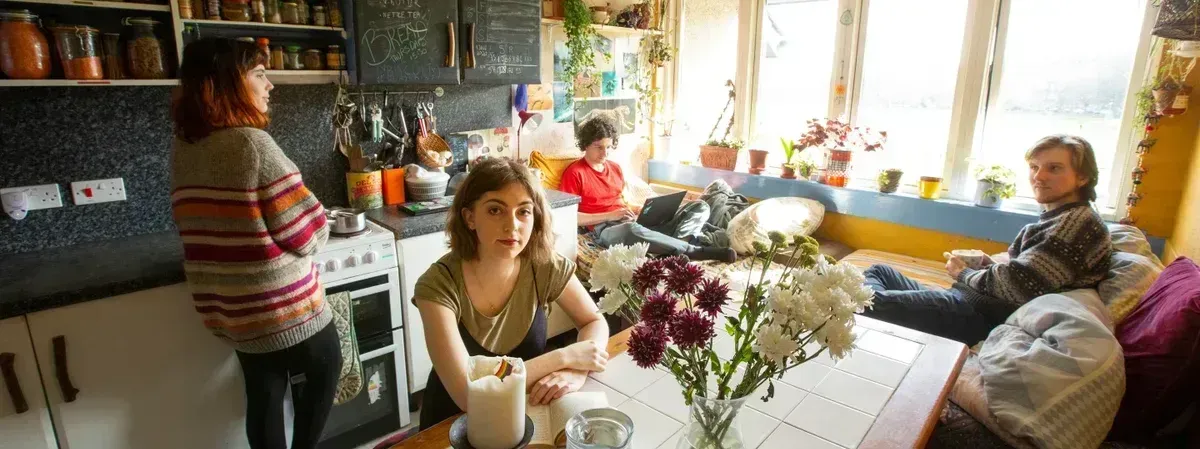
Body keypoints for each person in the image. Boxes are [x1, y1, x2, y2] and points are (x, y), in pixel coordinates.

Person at [170, 38, 339, 449]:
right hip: (284, 310)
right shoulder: (252, 145)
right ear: (225, 83)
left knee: (263, 393)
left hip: (234, 312)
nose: (270, 85)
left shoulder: (185, 148)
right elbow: (309, 232)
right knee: (327, 368)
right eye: (259, 74)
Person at [413, 157, 611, 429]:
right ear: (470, 218)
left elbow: (594, 322)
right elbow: (469, 395)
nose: (512, 226)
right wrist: (563, 357)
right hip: (453, 425)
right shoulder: (438, 285)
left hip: (523, 412)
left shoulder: (543, 265)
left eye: (523, 211)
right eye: (495, 210)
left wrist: (575, 371)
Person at [861, 135, 1113, 346]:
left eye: (1054, 168)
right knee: (878, 271)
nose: (1039, 176)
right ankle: (887, 324)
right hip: (969, 299)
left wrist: (963, 273)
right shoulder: (1057, 217)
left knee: (865, 301)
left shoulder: (1077, 224)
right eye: (1035, 167)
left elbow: (1019, 286)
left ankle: (878, 327)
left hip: (979, 316)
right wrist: (986, 264)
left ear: (1083, 177)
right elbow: (1029, 271)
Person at [559, 115, 736, 262]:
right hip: (606, 230)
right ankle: (691, 250)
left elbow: (621, 201)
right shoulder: (575, 173)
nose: (604, 153)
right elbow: (570, 218)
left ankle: (674, 249)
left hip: (633, 220)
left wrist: (644, 209)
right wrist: (611, 215)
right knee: (630, 230)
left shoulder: (615, 168)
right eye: (598, 147)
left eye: (608, 147)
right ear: (585, 145)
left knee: (700, 206)